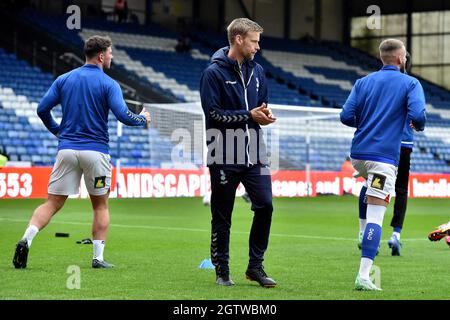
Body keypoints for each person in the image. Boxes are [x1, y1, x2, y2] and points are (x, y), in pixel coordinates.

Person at [12, 35, 151, 269]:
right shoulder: (109, 83)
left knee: (52, 203)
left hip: (66, 150)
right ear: (100, 56)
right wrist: (142, 119)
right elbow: (123, 115)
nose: (111, 56)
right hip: (95, 152)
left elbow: (42, 108)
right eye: (110, 53)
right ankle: (97, 258)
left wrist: (57, 131)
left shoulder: (64, 79)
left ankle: (26, 239)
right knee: (100, 205)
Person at [341, 39, 426, 291]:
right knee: (377, 217)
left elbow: (346, 116)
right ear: (401, 59)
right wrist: (418, 125)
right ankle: (364, 276)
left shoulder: (362, 82)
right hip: (382, 159)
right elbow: (418, 115)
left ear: (382, 59)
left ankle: (360, 228)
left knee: (370, 188)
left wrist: (367, 124)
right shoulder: (411, 83)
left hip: (358, 155)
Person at [199, 18, 277, 287]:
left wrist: (264, 115)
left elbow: (260, 107)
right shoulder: (213, 73)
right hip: (222, 153)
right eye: (254, 41)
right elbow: (213, 114)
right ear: (239, 40)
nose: (258, 46)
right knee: (222, 215)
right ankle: (222, 270)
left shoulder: (259, 72)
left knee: (265, 205)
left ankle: (255, 266)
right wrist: (249, 115)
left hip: (255, 152)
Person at [357, 52, 414, 256]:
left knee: (369, 184)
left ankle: (364, 231)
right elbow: (417, 116)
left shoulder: (375, 83)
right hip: (404, 143)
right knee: (402, 189)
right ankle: (396, 234)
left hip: (382, 144)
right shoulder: (410, 84)